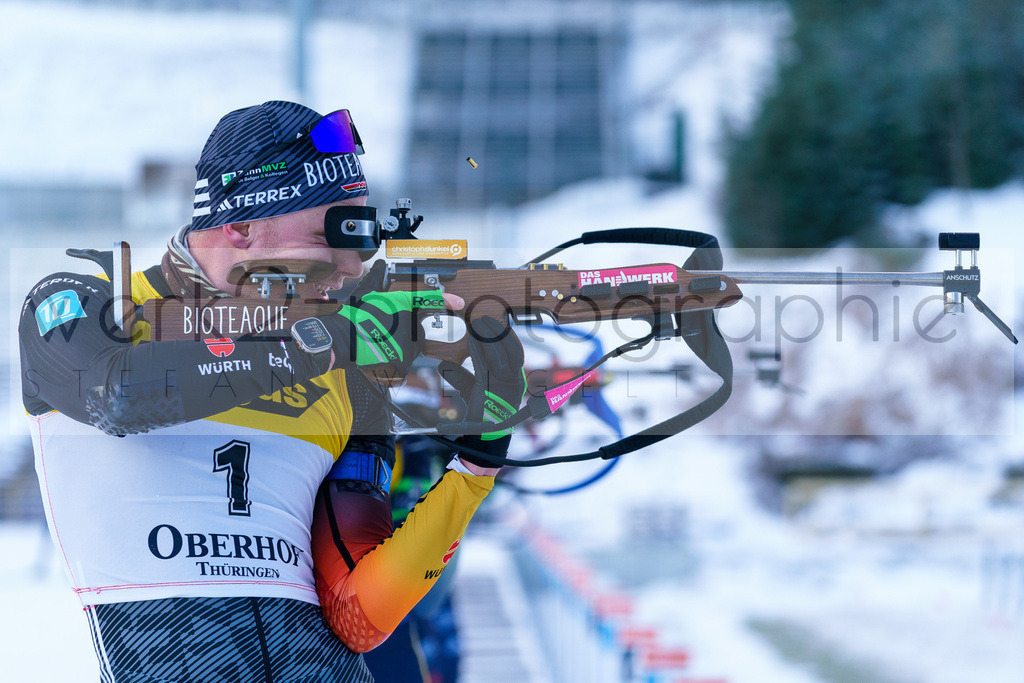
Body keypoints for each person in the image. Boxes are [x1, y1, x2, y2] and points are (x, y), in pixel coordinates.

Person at [19, 100, 525, 682]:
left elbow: (358, 615)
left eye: (361, 235)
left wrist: (475, 468)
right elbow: (116, 396)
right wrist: (326, 342)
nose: (352, 266)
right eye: (330, 232)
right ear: (239, 226)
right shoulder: (92, 303)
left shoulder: (345, 375)